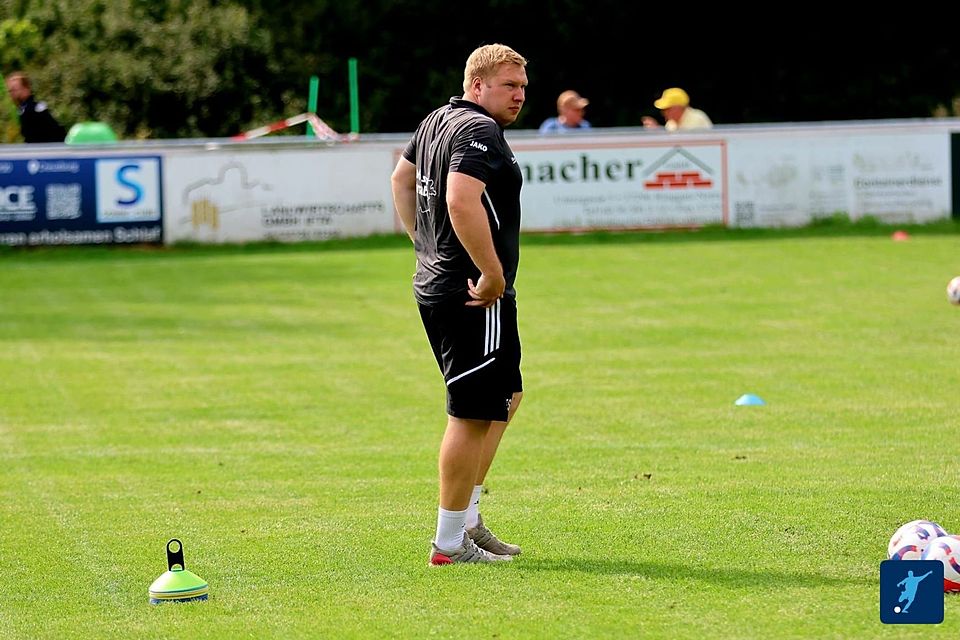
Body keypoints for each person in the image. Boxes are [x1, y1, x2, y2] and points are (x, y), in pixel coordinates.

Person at [391, 43, 527, 565]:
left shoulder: (436, 121)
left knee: (507, 396)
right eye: (507, 86)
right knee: (471, 412)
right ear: (477, 86)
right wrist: (490, 272)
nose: (518, 96)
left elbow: (401, 179)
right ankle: (449, 543)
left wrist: (422, 245)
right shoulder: (477, 130)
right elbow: (459, 199)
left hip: (444, 281)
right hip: (472, 292)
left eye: (522, 88)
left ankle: (467, 518)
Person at [5, 72, 66, 143]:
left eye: (14, 89)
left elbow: (31, 139)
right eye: (10, 91)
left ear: (26, 89)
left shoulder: (28, 110)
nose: (12, 93)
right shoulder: (35, 106)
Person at [642, 87, 712, 132]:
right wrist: (657, 130)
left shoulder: (697, 118)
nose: (663, 113)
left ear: (677, 108)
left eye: (666, 109)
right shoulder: (671, 124)